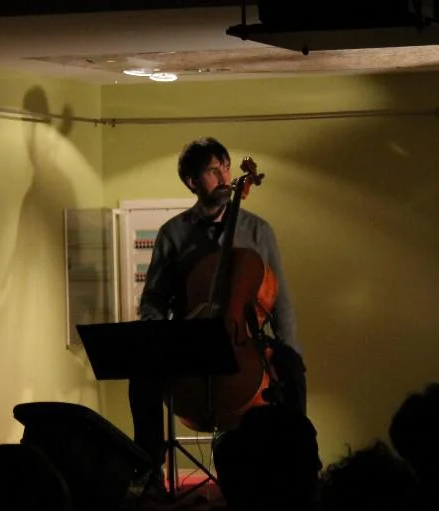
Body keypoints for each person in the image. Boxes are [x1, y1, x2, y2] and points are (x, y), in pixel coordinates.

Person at [128, 137, 306, 486]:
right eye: (213, 171)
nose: (225, 177)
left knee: (292, 369)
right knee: (142, 376)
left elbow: (280, 300)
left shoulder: (258, 230)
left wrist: (289, 349)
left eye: (226, 167)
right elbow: (154, 298)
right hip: (191, 340)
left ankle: (298, 467)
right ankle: (149, 471)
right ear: (192, 182)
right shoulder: (173, 234)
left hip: (245, 339)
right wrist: (157, 333)